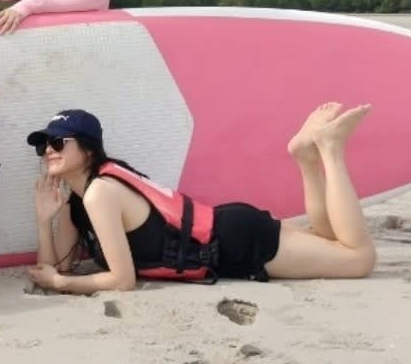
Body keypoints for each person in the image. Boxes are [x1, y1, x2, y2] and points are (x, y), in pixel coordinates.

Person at [22, 104, 375, 295]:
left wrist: (63, 285)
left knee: (358, 259)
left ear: (88, 150)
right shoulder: (77, 202)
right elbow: (54, 269)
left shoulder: (100, 193)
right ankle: (307, 160)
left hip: (236, 243)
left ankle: (330, 149)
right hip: (228, 228)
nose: (48, 151)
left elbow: (121, 281)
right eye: (43, 146)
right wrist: (43, 221)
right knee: (330, 238)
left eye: (58, 143)